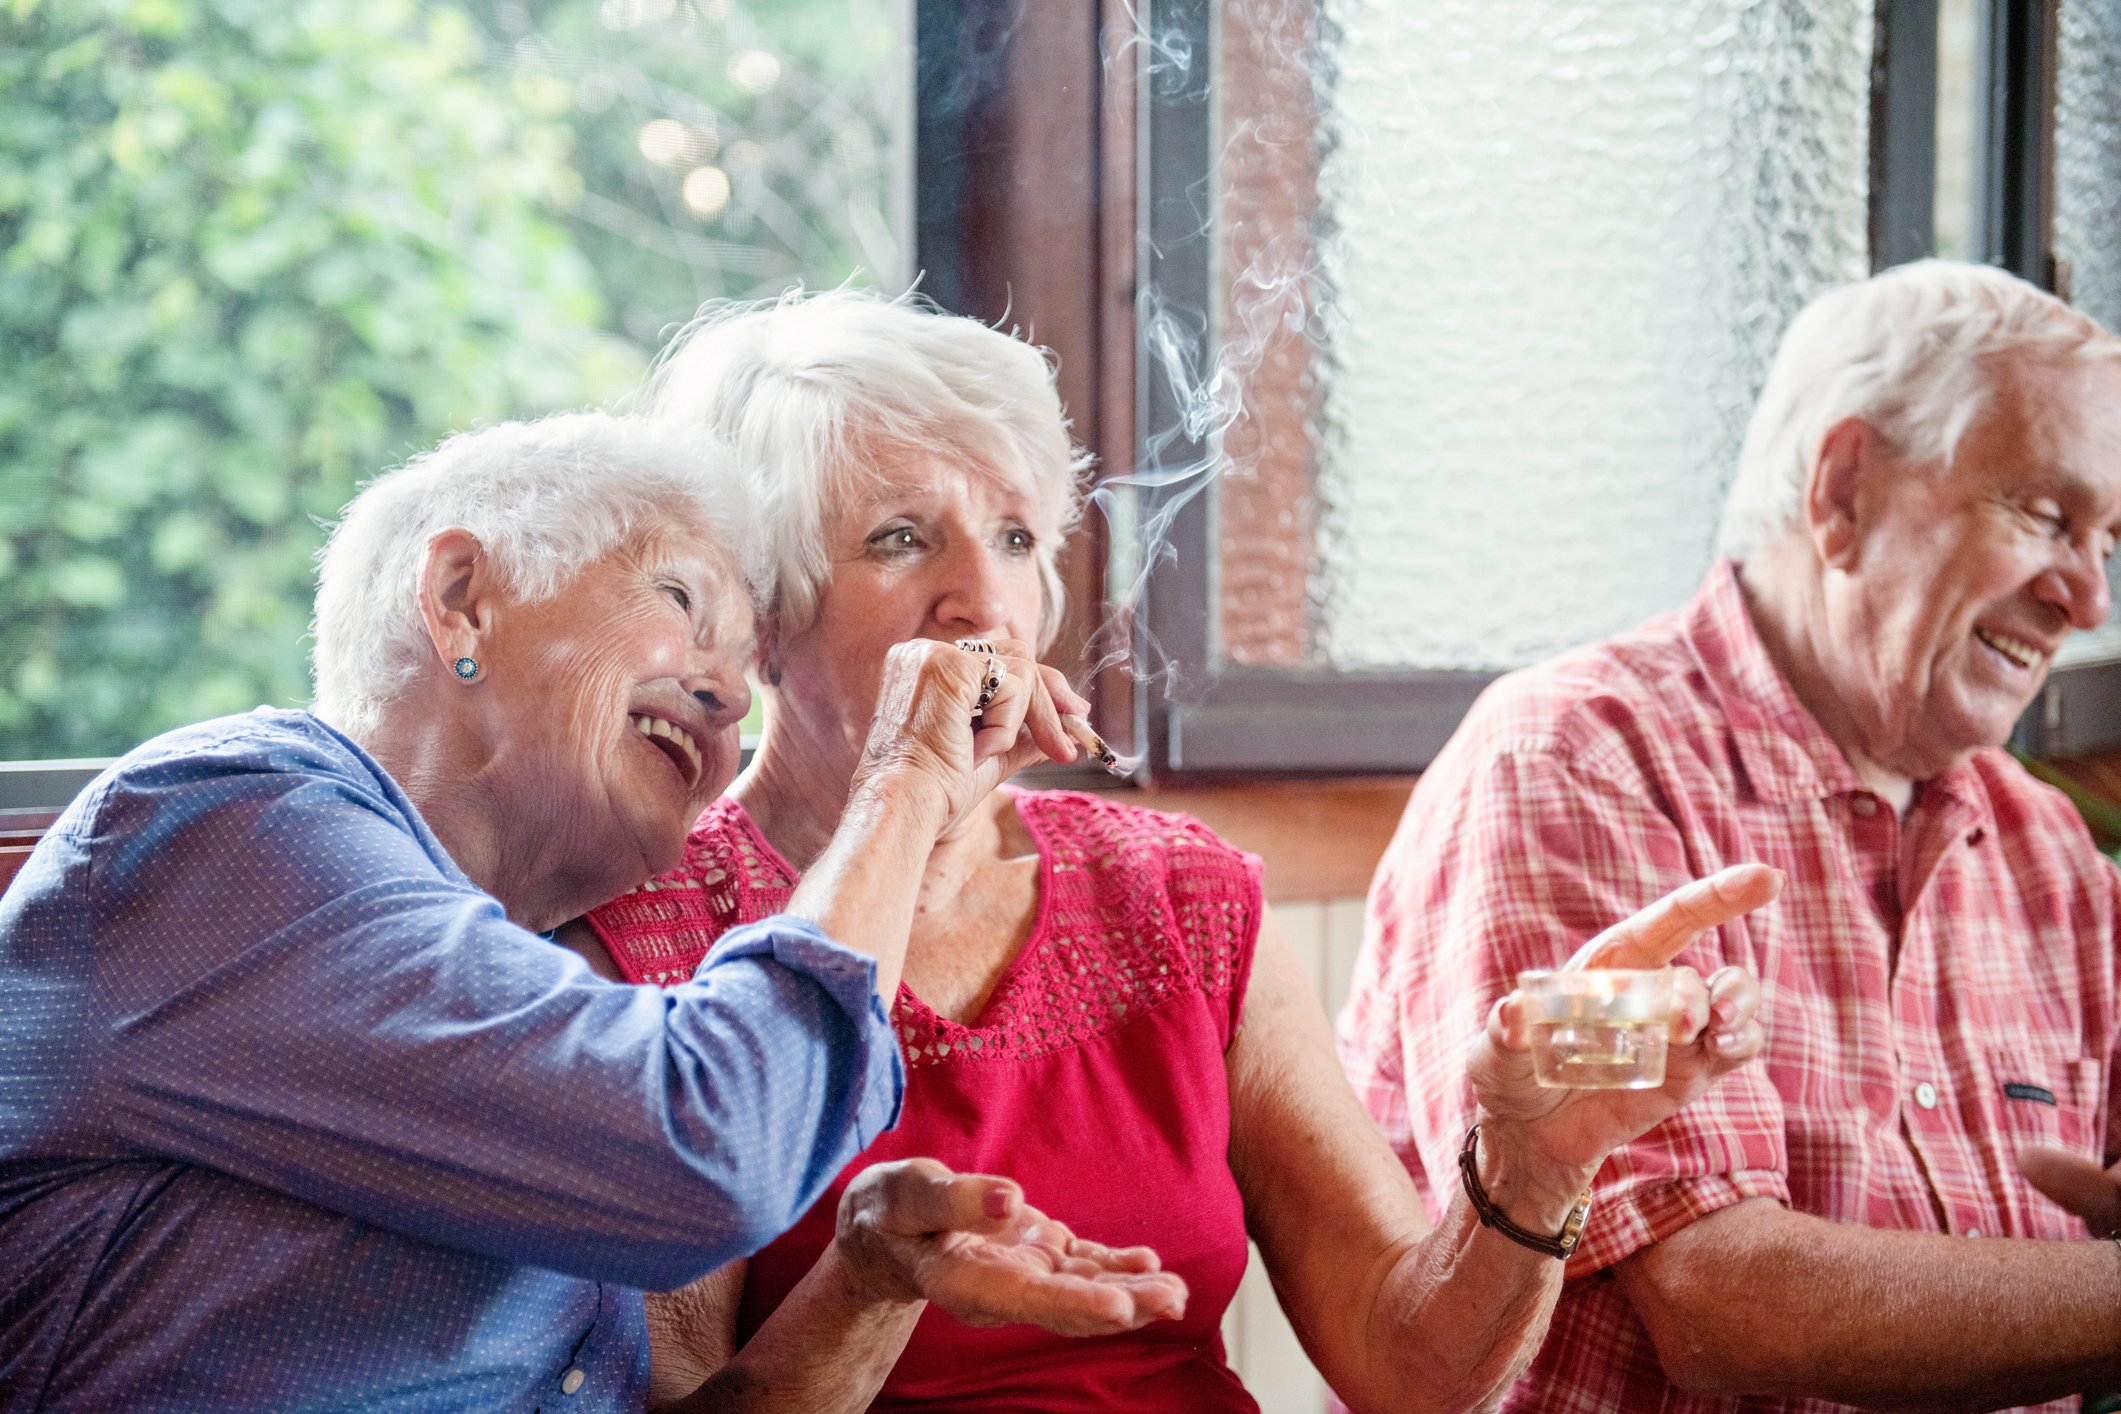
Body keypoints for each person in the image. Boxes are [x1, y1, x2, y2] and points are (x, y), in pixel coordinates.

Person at [579, 288, 1780, 1413]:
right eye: (901, 539)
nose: (984, 604)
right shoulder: (642, 937)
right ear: (762, 619)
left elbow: (1409, 1360)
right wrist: (866, 1286)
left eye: (1013, 537)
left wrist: (1530, 1168)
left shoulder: (1178, 895)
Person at [0, 411, 1178, 1413]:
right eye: (679, 599)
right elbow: (708, 1147)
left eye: (744, 668)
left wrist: (865, 1279)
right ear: (461, 599)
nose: (727, 698)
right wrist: (908, 770)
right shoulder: (224, 827)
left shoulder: (526, 977)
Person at [1339, 259, 2121, 1412]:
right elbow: (1714, 1302)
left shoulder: (2044, 847)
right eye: (2045, 515)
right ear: (1843, 491)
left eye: (2108, 540)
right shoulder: (1577, 758)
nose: (2088, 599)